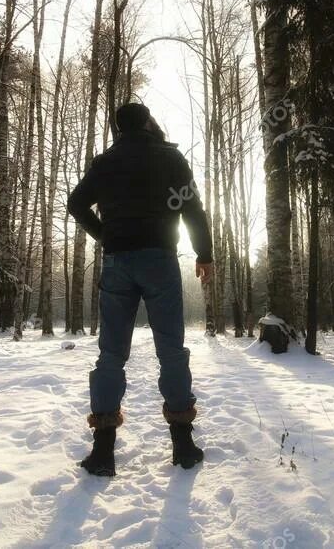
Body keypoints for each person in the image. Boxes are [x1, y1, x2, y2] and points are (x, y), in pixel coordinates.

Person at [67, 102, 214, 476]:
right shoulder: (170, 157)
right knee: (171, 349)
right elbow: (193, 209)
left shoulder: (105, 162)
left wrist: (105, 234)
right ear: (149, 121)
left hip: (119, 262)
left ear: (119, 128)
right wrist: (205, 254)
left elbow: (75, 203)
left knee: (111, 355)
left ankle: (103, 451)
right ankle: (183, 443)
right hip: (160, 260)